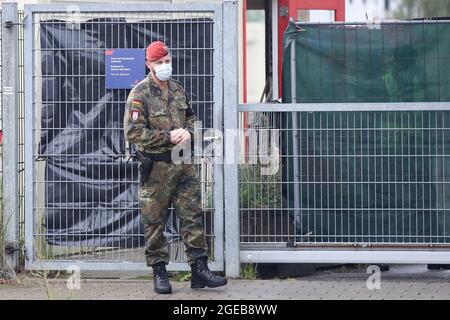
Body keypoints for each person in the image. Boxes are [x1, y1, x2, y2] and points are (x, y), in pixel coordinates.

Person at [123, 41, 227, 294]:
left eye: (167, 61)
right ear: (149, 64)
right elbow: (133, 132)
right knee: (155, 221)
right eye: (159, 63)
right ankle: (160, 271)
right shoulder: (140, 94)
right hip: (156, 169)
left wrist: (189, 132)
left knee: (192, 216)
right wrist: (168, 137)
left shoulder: (178, 89)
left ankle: (199, 270)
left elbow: (190, 117)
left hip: (184, 165)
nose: (165, 66)